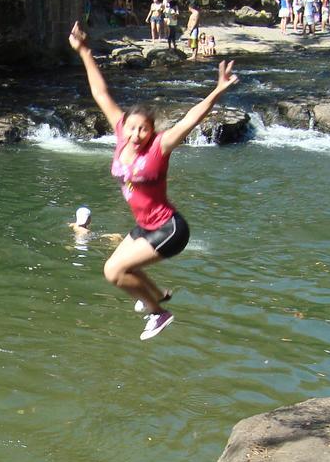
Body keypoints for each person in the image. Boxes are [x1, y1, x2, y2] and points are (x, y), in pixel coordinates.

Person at [68, 21, 239, 340]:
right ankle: (157, 295)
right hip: (145, 226)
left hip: (170, 228)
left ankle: (159, 313)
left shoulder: (160, 147)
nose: (135, 135)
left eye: (143, 129)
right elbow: (100, 93)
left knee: (113, 272)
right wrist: (84, 51)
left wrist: (217, 90)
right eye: (132, 128)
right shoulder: (121, 134)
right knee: (120, 270)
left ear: (152, 131)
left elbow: (191, 118)